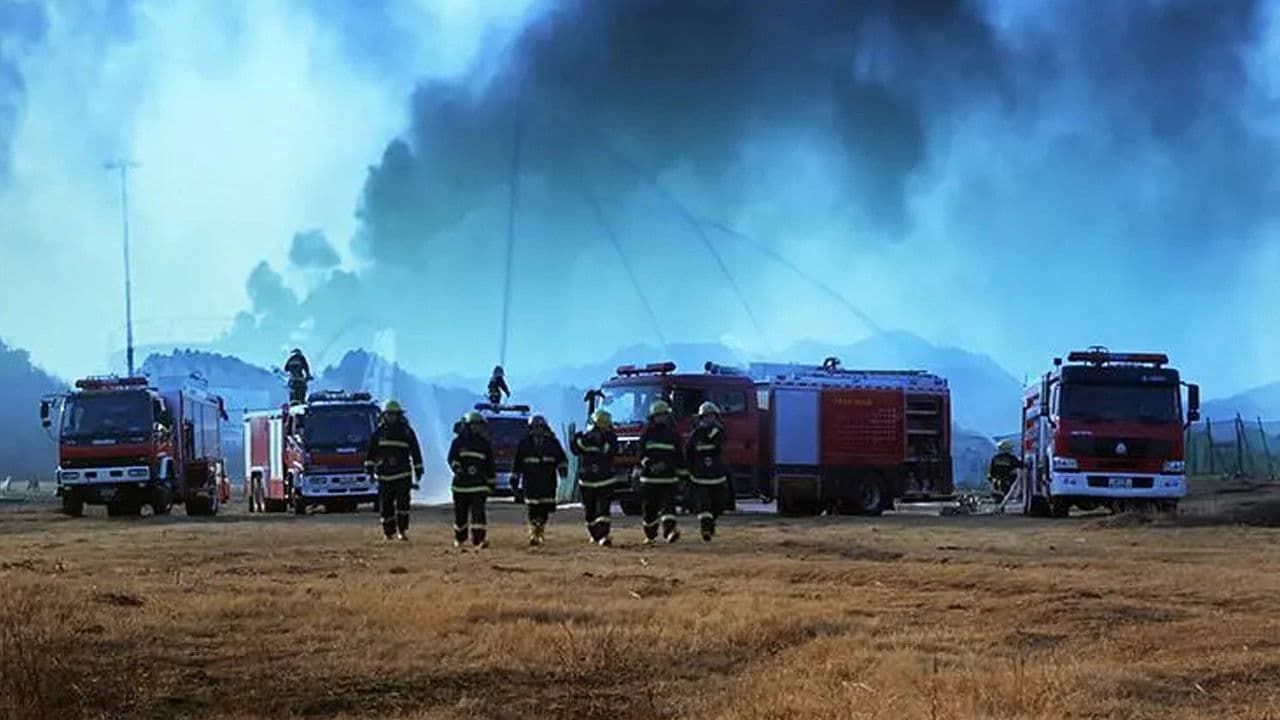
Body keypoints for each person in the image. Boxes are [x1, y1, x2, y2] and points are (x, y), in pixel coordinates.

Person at [364, 400, 424, 542]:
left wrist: (419, 469)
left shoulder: (407, 432)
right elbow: (371, 453)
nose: (391, 417)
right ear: (384, 415)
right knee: (386, 506)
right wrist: (369, 470)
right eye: (389, 414)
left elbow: (415, 451)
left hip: (403, 474)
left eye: (394, 414)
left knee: (403, 504)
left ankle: (402, 530)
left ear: (399, 415)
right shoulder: (378, 432)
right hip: (384, 475)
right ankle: (388, 532)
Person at [511, 415, 569, 546]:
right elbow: (517, 462)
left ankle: (540, 528)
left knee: (544, 507)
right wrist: (515, 477)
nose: (538, 430)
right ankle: (533, 531)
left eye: (540, 427)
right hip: (530, 481)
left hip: (547, 480)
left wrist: (562, 469)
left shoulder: (553, 443)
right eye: (535, 427)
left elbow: (562, 458)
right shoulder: (524, 443)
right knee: (532, 507)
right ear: (530, 428)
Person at [637, 400, 687, 545]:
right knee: (649, 510)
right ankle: (650, 535)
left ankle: (670, 532)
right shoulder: (646, 434)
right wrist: (650, 464)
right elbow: (641, 454)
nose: (661, 418)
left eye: (664, 415)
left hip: (668, 479)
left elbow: (679, 456)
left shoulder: (673, 435)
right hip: (649, 479)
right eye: (659, 415)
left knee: (668, 507)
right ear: (653, 417)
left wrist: (680, 474)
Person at [448, 410, 496, 548]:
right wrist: (457, 468)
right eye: (474, 424)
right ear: (467, 425)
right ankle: (460, 538)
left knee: (478, 514)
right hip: (460, 486)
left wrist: (491, 482)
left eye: (479, 425)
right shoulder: (458, 442)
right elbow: (451, 458)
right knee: (460, 515)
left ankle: (479, 540)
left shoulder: (484, 444)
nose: (477, 427)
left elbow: (490, 465)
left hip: (479, 486)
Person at [572, 409, 619, 546]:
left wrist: (603, 440)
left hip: (605, 481)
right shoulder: (584, 439)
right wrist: (579, 438)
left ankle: (603, 535)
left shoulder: (610, 439)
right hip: (587, 482)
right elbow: (576, 449)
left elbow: (609, 451)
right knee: (590, 512)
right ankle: (595, 534)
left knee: (603, 510)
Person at [685, 402, 730, 542]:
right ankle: (705, 529)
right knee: (703, 503)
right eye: (706, 416)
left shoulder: (719, 432)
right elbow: (689, 453)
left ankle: (711, 523)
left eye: (712, 416)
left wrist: (714, 428)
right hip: (700, 476)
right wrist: (688, 472)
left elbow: (718, 439)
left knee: (719, 503)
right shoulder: (695, 434)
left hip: (717, 475)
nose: (709, 419)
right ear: (701, 418)